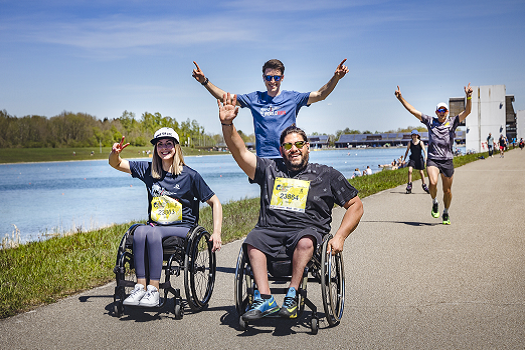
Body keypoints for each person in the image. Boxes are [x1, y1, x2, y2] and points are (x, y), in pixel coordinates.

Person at [217, 93, 363, 321]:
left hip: (308, 233)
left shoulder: (326, 174)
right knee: (253, 240)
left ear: (308, 147)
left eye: (298, 144)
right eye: (288, 145)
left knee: (305, 241)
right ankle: (264, 299)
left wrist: (341, 237)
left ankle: (293, 296)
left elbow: (355, 205)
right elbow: (240, 153)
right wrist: (227, 124)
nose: (293, 149)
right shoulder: (269, 169)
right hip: (271, 232)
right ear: (281, 149)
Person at [109, 127, 223, 307]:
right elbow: (116, 164)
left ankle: (153, 290)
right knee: (139, 231)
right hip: (156, 225)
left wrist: (216, 232)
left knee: (152, 232)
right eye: (160, 144)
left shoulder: (190, 175)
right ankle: (140, 287)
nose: (164, 148)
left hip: (183, 227)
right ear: (155, 148)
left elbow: (215, 202)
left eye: (169, 144)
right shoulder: (148, 170)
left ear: (176, 147)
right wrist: (114, 154)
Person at [192, 59, 349, 158]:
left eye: (276, 77)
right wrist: (204, 81)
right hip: (265, 160)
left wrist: (336, 78)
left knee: (291, 205)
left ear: (282, 78)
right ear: (263, 78)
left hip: (290, 156)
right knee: (269, 207)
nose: (272, 81)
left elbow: (321, 94)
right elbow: (224, 96)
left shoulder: (293, 98)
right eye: (268, 77)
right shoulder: (254, 98)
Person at [395, 83, 473, 225]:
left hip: (447, 160)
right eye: (439, 110)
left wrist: (469, 96)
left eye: (444, 110)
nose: (442, 112)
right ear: (436, 112)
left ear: (447, 112)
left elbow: (467, 112)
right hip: (433, 159)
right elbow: (413, 110)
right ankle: (434, 201)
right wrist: (401, 98)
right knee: (432, 182)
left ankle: (446, 212)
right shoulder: (430, 121)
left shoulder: (453, 122)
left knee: (447, 190)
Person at [402, 130, 429, 194]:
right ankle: (409, 185)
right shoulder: (410, 143)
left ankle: (424, 185)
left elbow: (424, 150)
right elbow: (407, 151)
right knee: (410, 171)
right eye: (413, 135)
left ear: (417, 135)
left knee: (421, 172)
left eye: (415, 135)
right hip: (412, 158)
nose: (414, 136)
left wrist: (426, 157)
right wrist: (404, 159)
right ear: (411, 136)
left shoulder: (420, 142)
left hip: (419, 159)